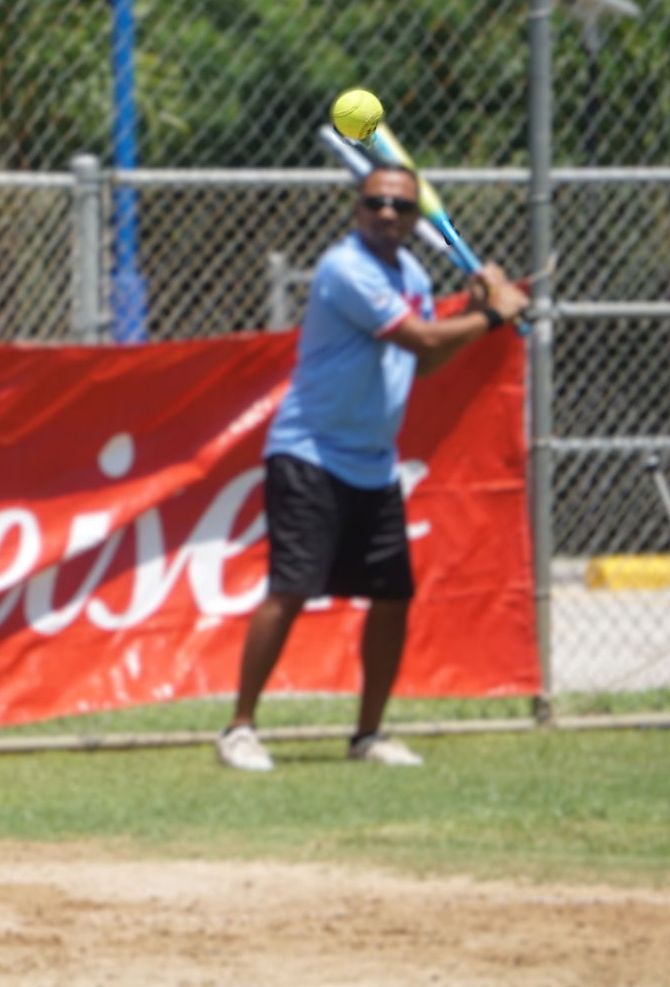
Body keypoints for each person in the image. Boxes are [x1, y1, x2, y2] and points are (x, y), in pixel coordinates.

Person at [215, 165, 529, 773]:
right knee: (292, 589)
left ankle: (368, 734)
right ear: (356, 209)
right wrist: (492, 314)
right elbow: (423, 342)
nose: (387, 214)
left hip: (373, 462)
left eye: (400, 207)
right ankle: (239, 728)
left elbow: (429, 363)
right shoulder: (345, 268)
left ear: (415, 220)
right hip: (311, 450)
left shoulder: (410, 273)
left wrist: (481, 304)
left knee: (391, 596)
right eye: (375, 203)